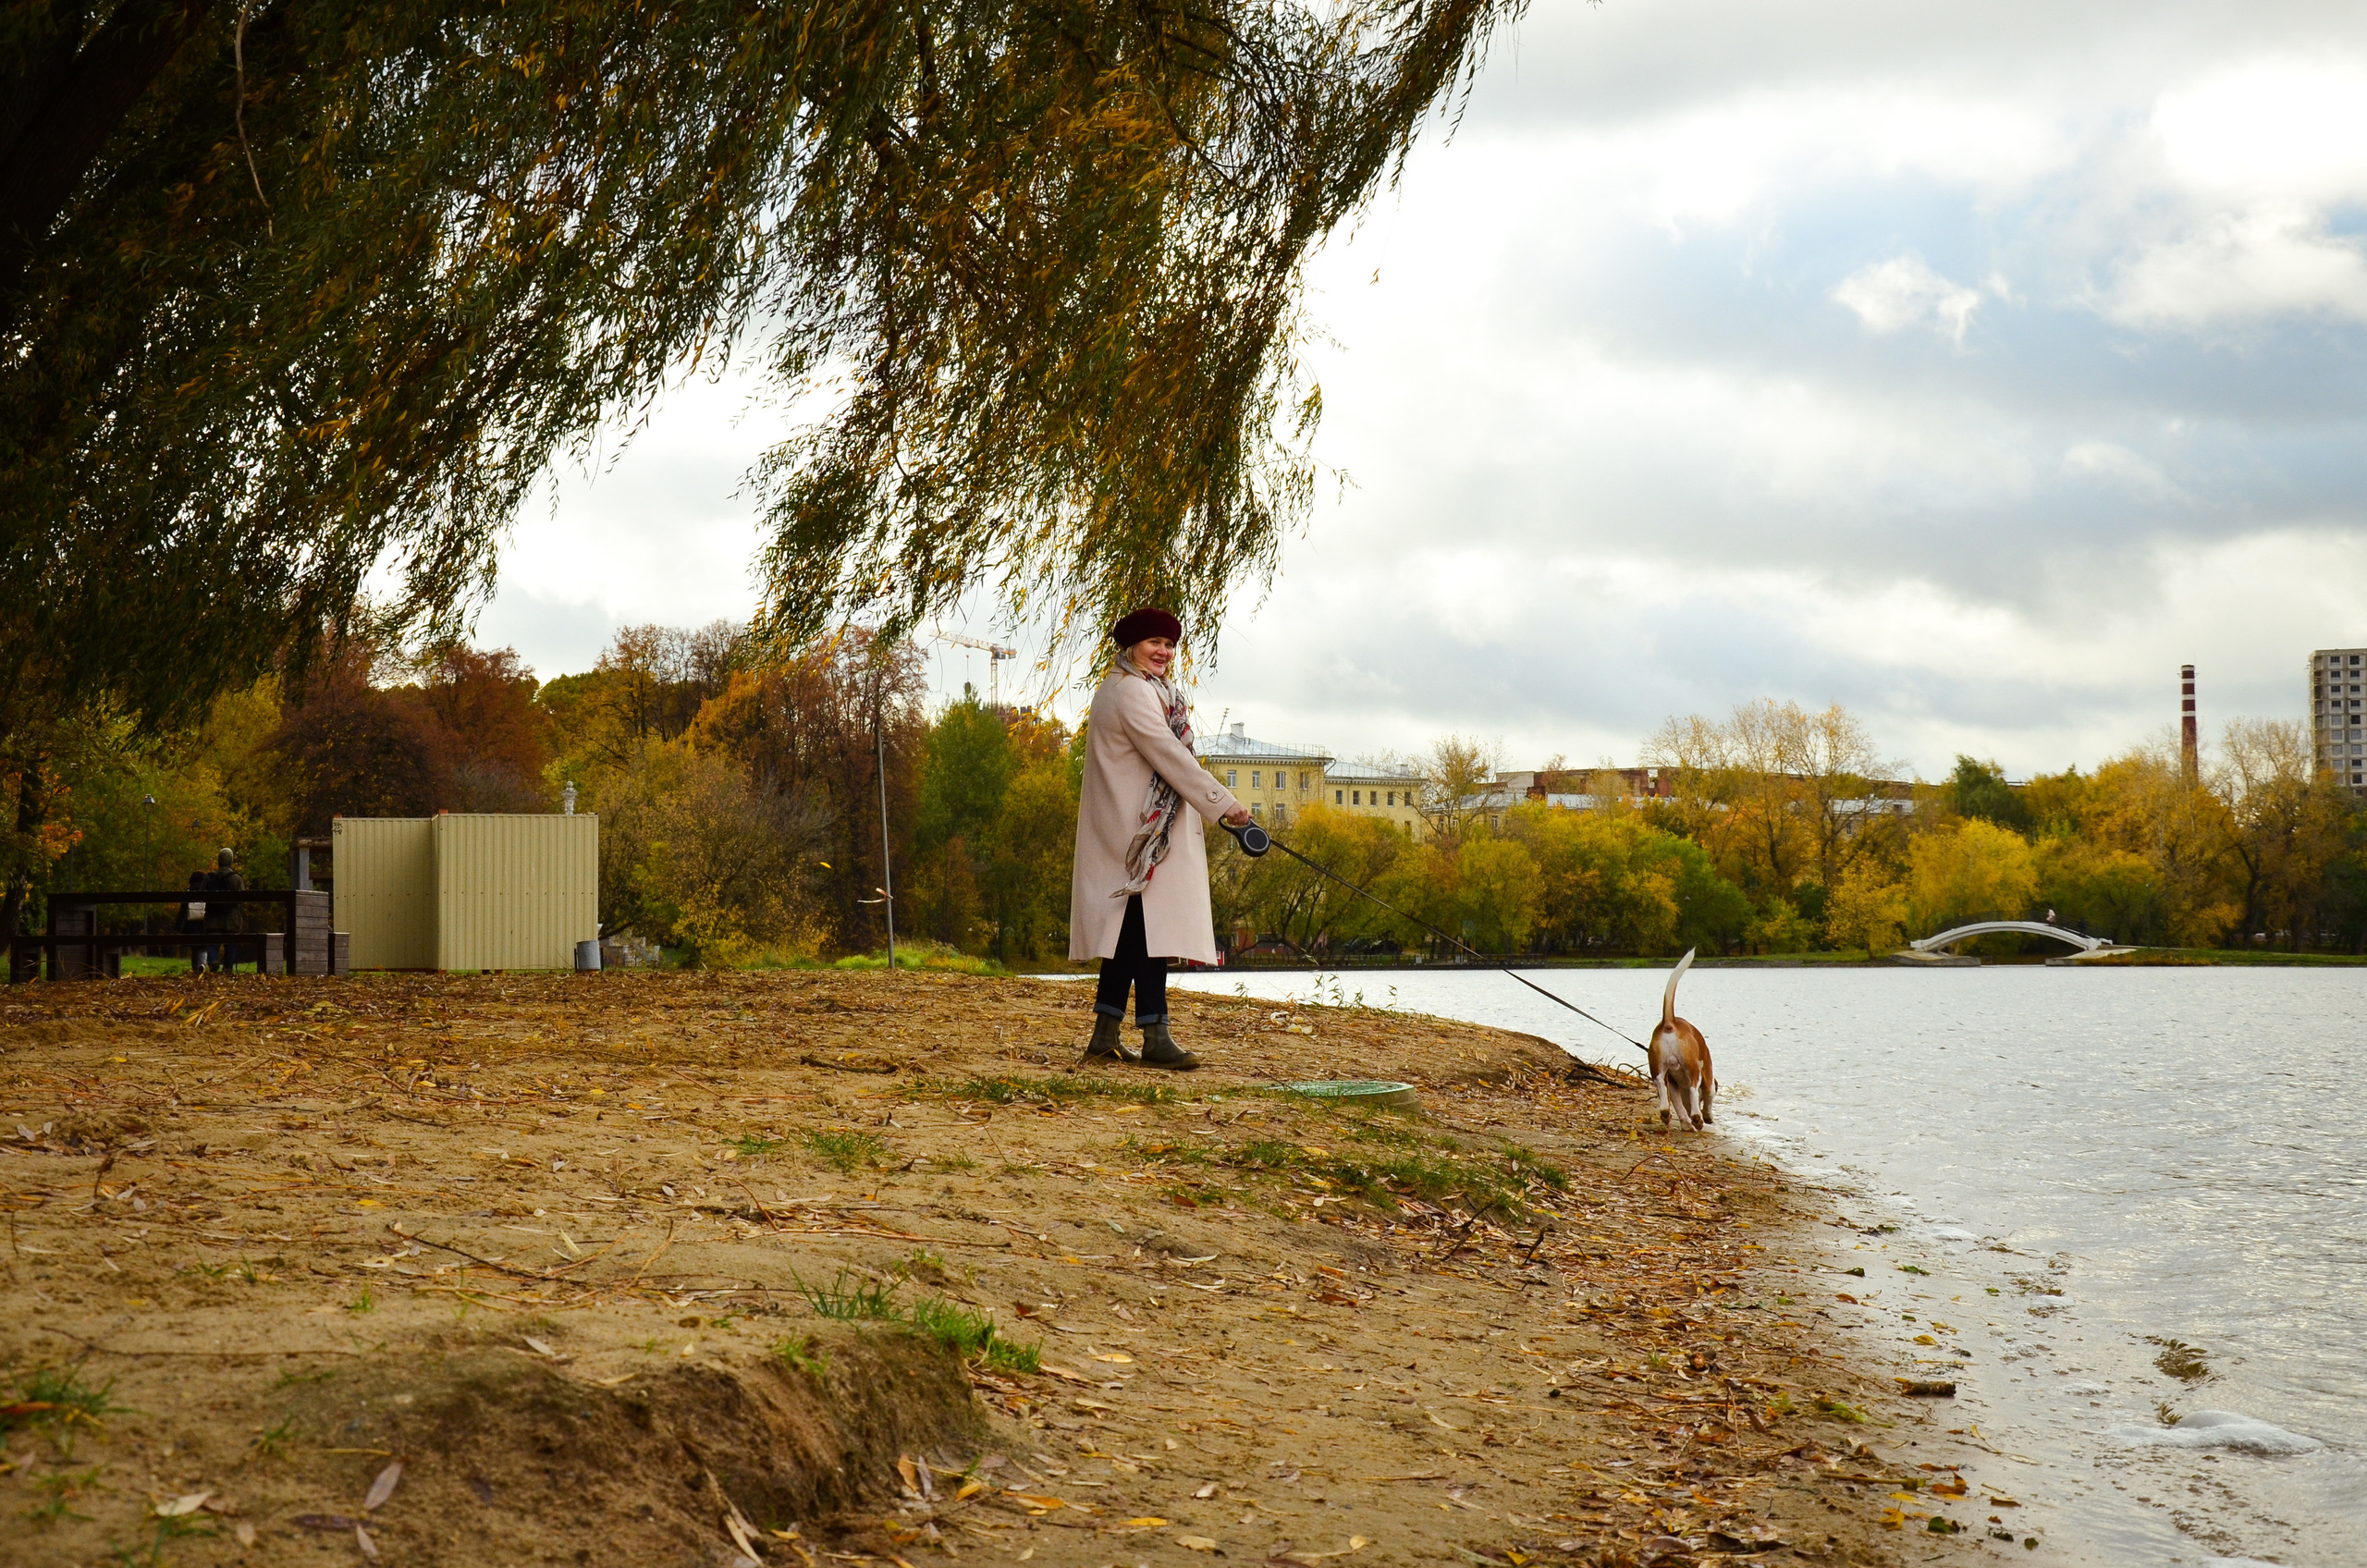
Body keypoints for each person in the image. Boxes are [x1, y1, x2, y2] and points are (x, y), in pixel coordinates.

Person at [1070, 607, 1249, 1070]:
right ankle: (1155, 1035)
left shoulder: (1140, 689)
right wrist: (1223, 803)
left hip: (1139, 830)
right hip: (1140, 834)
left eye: (1170, 645)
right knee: (1145, 934)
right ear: (1132, 647)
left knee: (1131, 933)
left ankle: (1105, 1035)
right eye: (1155, 643)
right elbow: (1168, 755)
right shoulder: (1132, 692)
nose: (1164, 652)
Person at [203, 847, 245, 973]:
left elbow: (200, 896)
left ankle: (213, 962)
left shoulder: (209, 878)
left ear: (219, 860)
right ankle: (228, 969)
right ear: (231, 861)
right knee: (231, 945)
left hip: (213, 918)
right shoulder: (236, 878)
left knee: (213, 943)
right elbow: (243, 898)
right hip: (231, 919)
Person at [181, 872, 213, 973]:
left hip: (190, 924)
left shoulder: (188, 891)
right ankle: (202, 964)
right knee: (203, 946)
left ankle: (195, 968)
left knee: (194, 948)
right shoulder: (206, 891)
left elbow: (182, 911)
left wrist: (178, 926)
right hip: (203, 922)